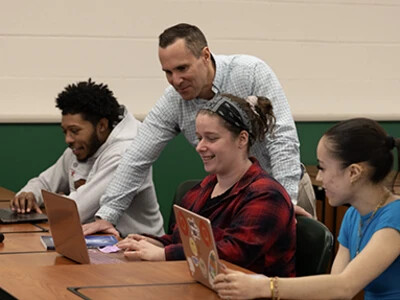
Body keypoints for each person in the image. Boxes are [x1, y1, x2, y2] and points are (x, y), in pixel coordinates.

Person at [84, 22, 312, 236]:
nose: (176, 80)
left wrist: (285, 202)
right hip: (234, 199)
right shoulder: (173, 100)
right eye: (168, 72)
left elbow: (282, 139)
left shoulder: (250, 72)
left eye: (182, 68)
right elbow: (137, 156)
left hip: (283, 190)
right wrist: (108, 215)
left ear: (205, 56)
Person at [214, 118, 400, 300]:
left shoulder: (396, 216)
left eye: (323, 168)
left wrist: (264, 286)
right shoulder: (353, 215)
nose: (319, 177)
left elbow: (345, 286)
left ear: (353, 173)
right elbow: (335, 288)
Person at [116, 94, 296, 276]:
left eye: (211, 138)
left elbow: (234, 252)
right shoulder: (204, 187)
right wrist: (157, 243)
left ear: (242, 139)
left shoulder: (267, 194)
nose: (200, 146)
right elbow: (186, 240)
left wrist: (163, 253)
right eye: (199, 137)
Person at [10, 79, 164, 237]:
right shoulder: (82, 147)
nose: (68, 139)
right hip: (99, 242)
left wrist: (60, 199)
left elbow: (76, 211)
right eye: (65, 131)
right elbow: (44, 183)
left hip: (140, 250)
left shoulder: (126, 152)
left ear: (102, 126)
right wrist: (29, 194)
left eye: (74, 131)